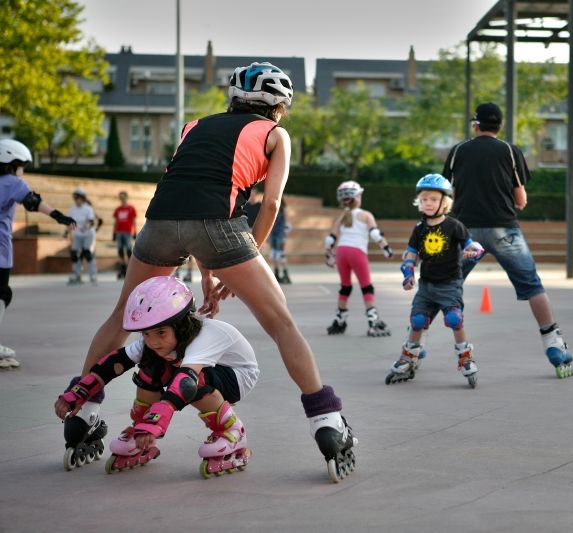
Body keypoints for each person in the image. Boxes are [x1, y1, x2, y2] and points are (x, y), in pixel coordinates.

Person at [56, 62, 357, 483]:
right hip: (221, 226)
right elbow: (268, 205)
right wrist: (244, 255)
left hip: (160, 221)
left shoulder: (193, 125)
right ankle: (327, 423)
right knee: (281, 323)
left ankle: (84, 412)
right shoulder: (275, 134)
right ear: (280, 106)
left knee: (123, 314)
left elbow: (190, 196)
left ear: (232, 98)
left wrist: (210, 274)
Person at [55, 276, 258, 477]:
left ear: (182, 325)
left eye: (161, 332)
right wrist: (79, 392)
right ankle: (140, 430)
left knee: (191, 381)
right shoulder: (154, 343)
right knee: (150, 366)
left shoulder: (204, 336)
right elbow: (112, 364)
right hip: (199, 373)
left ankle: (232, 431)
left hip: (238, 376)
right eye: (146, 334)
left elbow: (186, 381)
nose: (153, 342)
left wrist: (156, 423)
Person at [442, 102, 573, 379]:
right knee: (532, 285)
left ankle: (412, 347)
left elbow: (448, 193)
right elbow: (520, 197)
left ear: (475, 125)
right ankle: (553, 342)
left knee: (441, 284)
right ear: (499, 126)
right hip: (504, 229)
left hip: (465, 231)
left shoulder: (458, 151)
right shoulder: (509, 150)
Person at [386, 175, 485, 388]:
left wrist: (474, 250)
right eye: (423, 200)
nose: (427, 203)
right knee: (418, 321)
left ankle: (465, 356)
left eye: (432, 199)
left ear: (444, 202)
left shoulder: (454, 226)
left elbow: (470, 245)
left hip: (450, 283)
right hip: (427, 284)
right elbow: (411, 254)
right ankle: (409, 356)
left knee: (453, 319)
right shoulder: (419, 228)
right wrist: (408, 273)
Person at [0, 139, 76, 370]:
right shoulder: (13, 182)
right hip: (1, 252)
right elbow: (34, 202)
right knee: (2, 293)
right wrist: (60, 217)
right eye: (21, 164)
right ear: (11, 162)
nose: (23, 169)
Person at [323, 180, 393, 337]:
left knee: (345, 287)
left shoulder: (342, 217)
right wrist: (386, 248)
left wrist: (329, 254)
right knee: (366, 287)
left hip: (341, 252)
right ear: (358, 197)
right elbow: (375, 234)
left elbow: (331, 239)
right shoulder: (366, 215)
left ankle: (339, 321)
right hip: (357, 253)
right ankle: (373, 322)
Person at [67, 187, 98, 286]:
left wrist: (86, 227)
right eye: (74, 198)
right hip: (78, 234)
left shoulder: (88, 209)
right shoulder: (72, 209)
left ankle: (93, 276)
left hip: (88, 233)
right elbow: (70, 222)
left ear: (82, 198)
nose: (76, 200)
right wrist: (66, 231)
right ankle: (77, 275)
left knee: (87, 253)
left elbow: (91, 222)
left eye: (77, 198)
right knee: (74, 254)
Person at [112, 191, 137, 279]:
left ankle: (130, 269)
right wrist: (114, 232)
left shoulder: (131, 208)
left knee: (129, 251)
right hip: (119, 231)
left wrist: (135, 232)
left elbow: (134, 221)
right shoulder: (118, 209)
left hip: (128, 231)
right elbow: (116, 221)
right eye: (120, 197)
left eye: (123, 197)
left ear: (126, 197)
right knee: (120, 251)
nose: (122, 199)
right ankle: (123, 269)